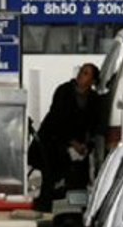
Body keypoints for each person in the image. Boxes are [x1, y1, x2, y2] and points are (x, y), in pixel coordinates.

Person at [35, 62, 101, 213]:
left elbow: (94, 125)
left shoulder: (94, 99)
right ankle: (45, 211)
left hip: (79, 147)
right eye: (81, 71)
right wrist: (71, 142)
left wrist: (86, 145)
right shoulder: (64, 91)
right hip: (55, 142)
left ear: (92, 80)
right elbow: (57, 120)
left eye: (86, 73)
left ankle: (78, 211)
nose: (81, 75)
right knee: (50, 177)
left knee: (80, 180)